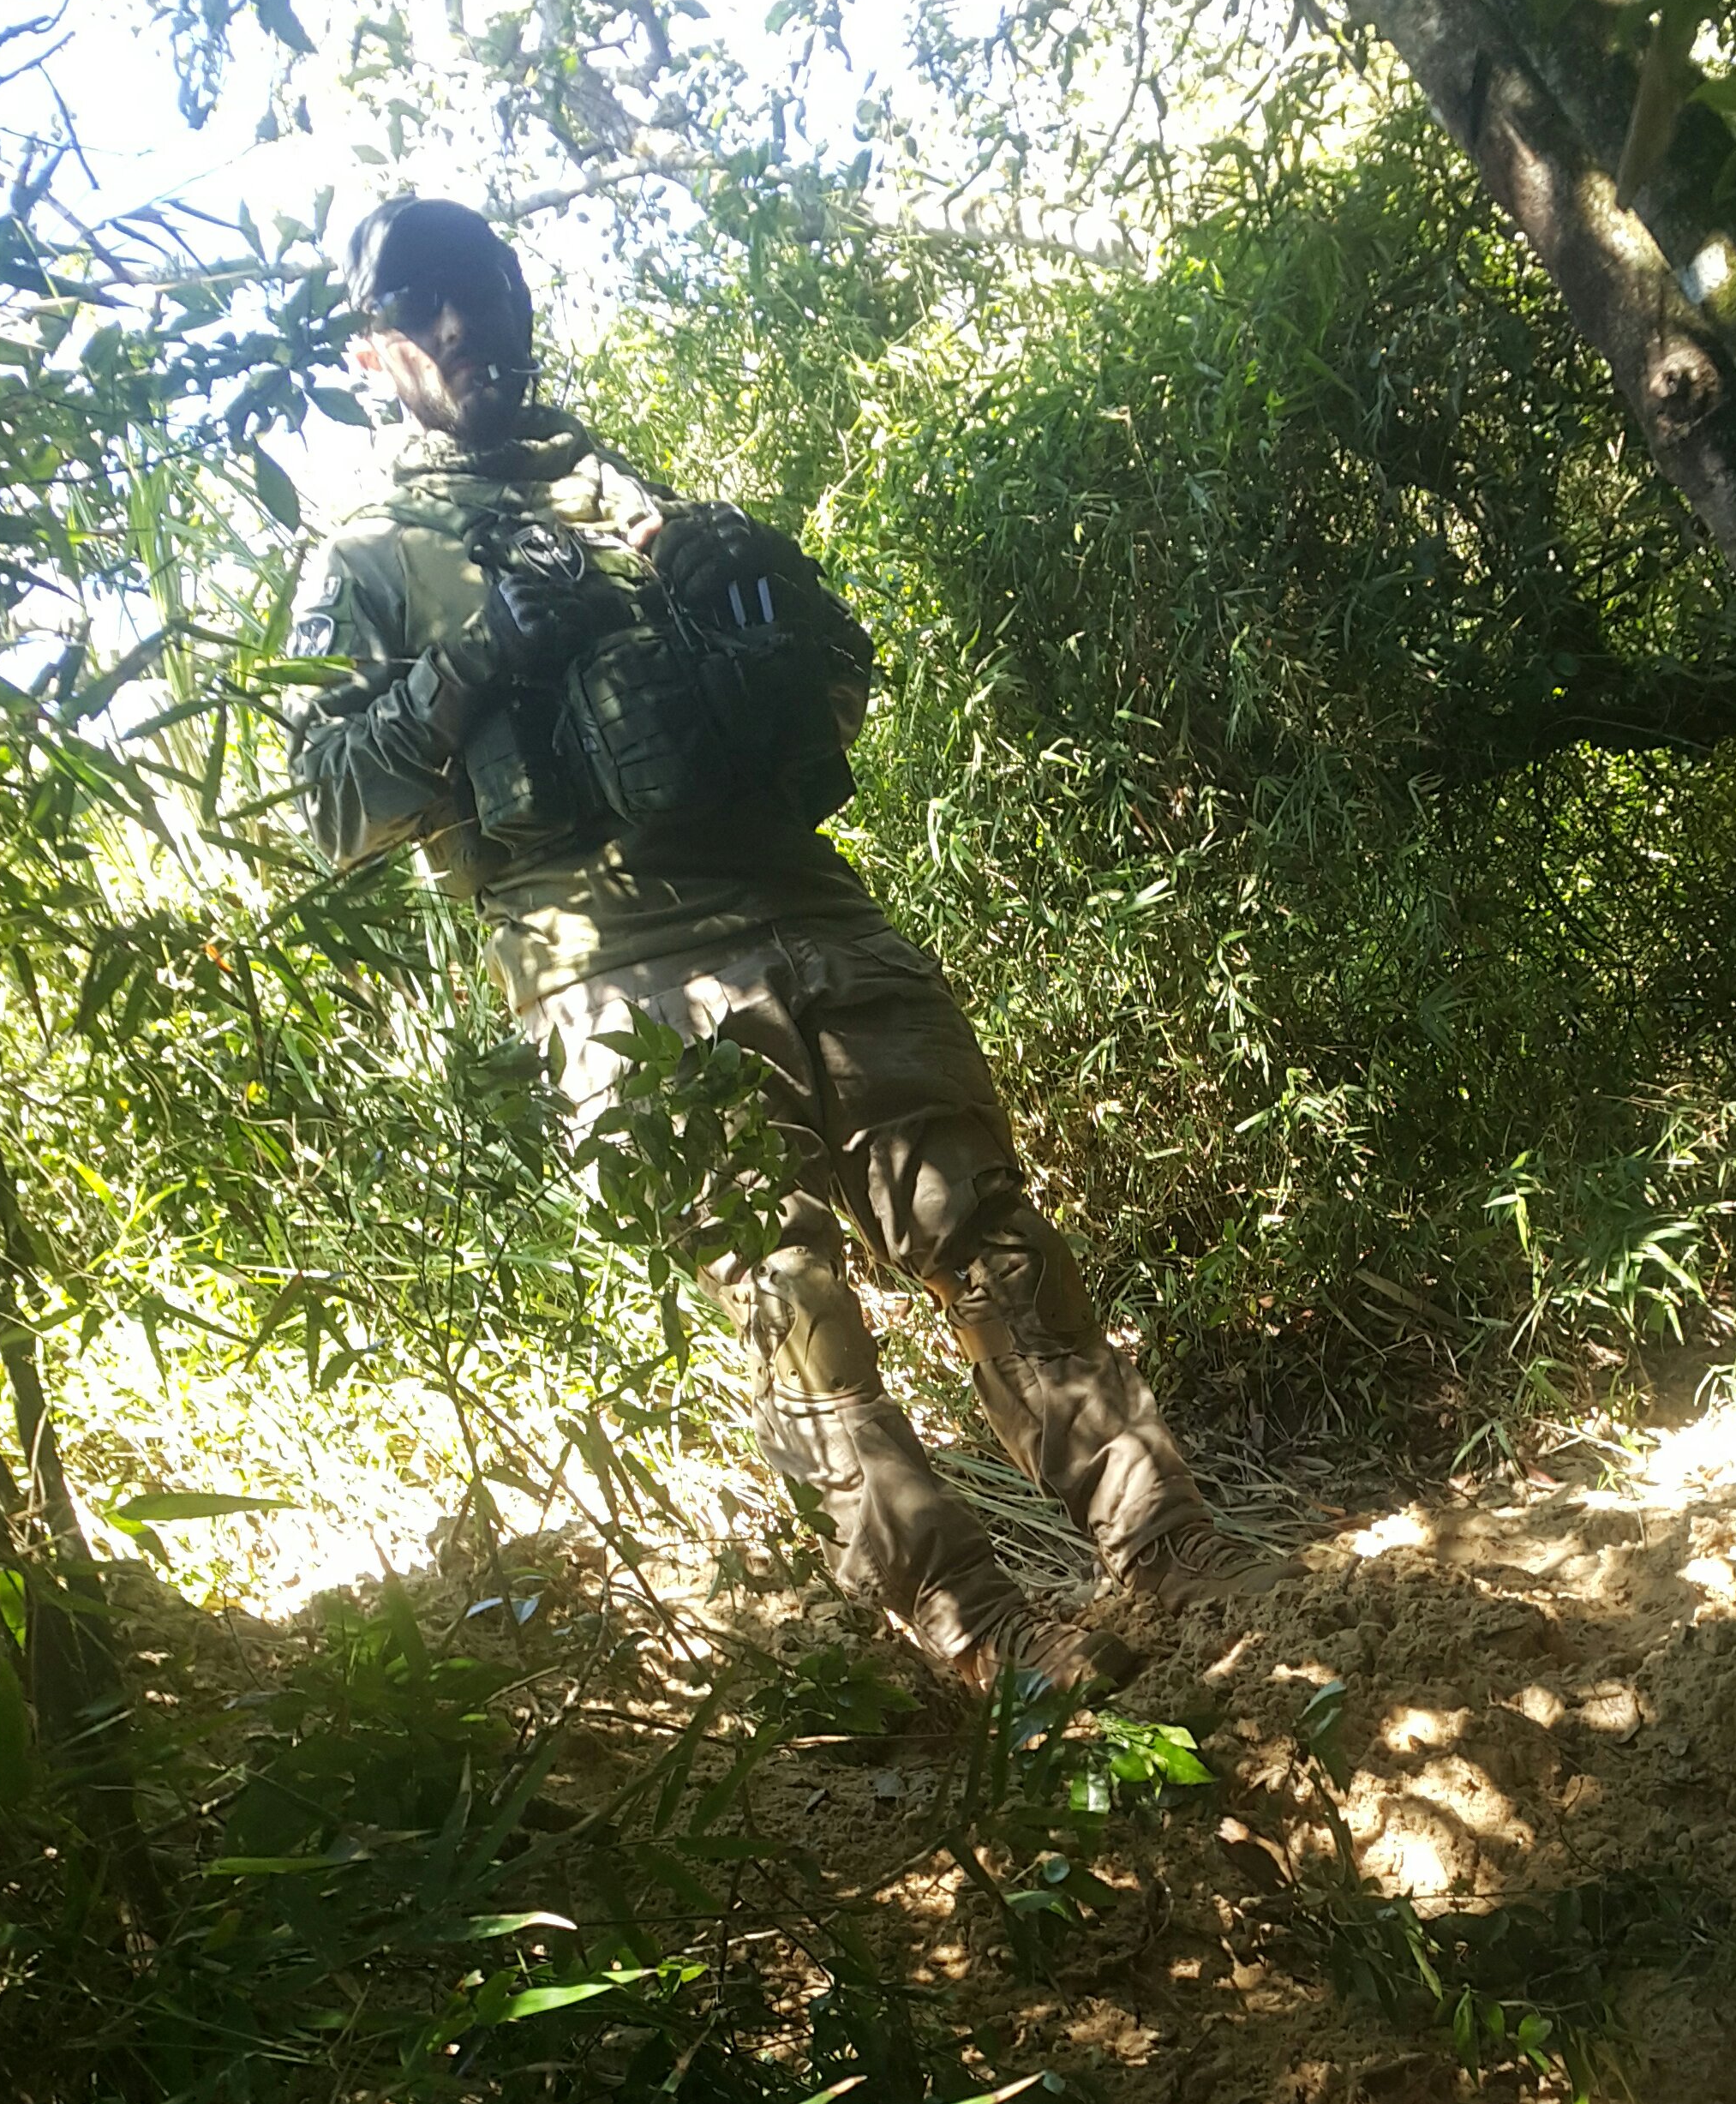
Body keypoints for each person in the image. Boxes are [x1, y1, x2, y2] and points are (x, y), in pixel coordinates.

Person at [288, 192, 1256, 1690]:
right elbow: (331, 806)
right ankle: (984, 1636)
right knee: (791, 1304)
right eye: (419, 304)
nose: (461, 323)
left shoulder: (630, 495)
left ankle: (1173, 1558)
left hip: (814, 915)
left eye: (479, 286)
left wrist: (774, 597)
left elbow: (828, 705)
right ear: (373, 351)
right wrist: (479, 658)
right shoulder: (365, 558)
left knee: (993, 1245)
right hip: (615, 972)